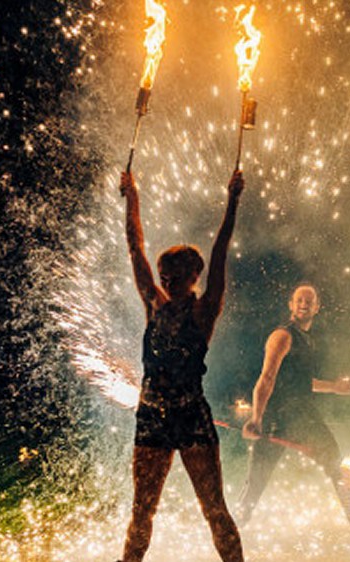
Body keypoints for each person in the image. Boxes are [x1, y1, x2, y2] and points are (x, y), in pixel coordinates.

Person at [118, 169, 245, 562]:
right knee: (142, 511)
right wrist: (132, 195)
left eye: (177, 277)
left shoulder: (205, 310)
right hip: (153, 415)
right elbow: (135, 247)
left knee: (214, 510)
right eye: (165, 277)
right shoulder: (154, 304)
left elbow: (221, 248)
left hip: (191, 415)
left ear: (195, 276)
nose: (169, 282)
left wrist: (233, 199)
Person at [238, 283, 350, 547]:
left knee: (337, 467)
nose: (303, 303)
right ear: (291, 305)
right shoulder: (282, 336)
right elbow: (267, 378)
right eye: (299, 300)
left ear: (317, 307)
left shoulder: (306, 339)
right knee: (255, 483)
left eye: (309, 301)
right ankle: (230, 531)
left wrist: (334, 388)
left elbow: (300, 381)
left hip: (304, 417)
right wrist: (256, 419)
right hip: (277, 419)